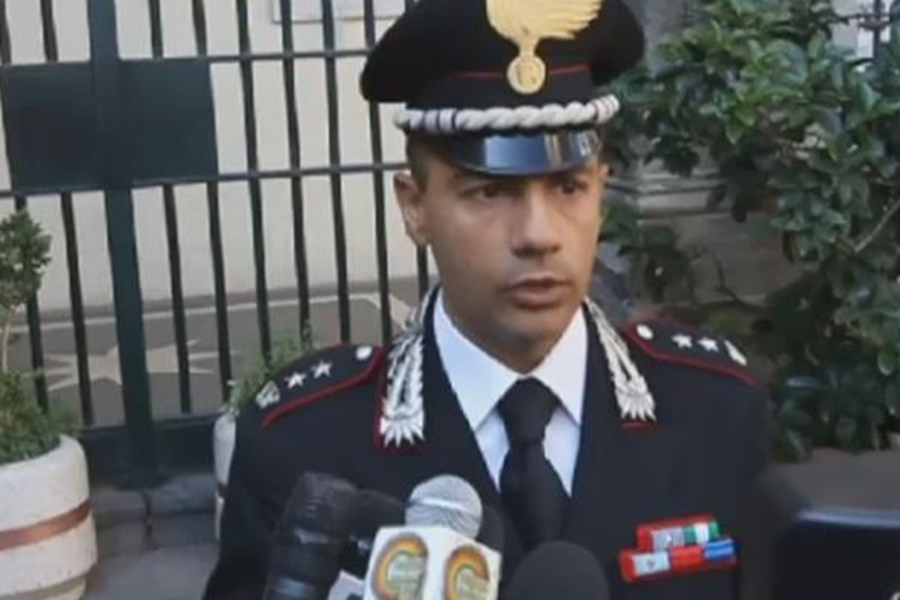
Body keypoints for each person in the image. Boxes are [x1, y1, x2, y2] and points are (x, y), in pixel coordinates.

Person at [203, 0, 769, 597]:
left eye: (568, 187)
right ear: (415, 208)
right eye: (490, 192)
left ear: (601, 193)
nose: (538, 235)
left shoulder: (715, 409)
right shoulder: (303, 447)